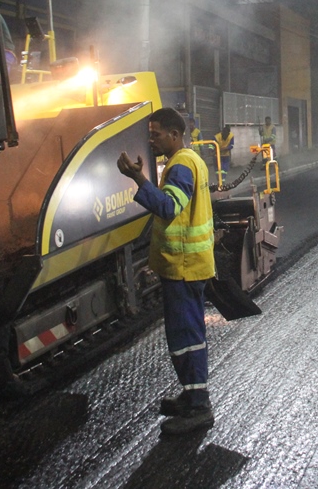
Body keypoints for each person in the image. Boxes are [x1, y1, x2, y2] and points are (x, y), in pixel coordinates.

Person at [117, 107, 216, 435]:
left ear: (174, 135)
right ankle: (192, 394)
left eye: (156, 134)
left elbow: (169, 208)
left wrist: (138, 178)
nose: (151, 140)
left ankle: (199, 407)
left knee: (186, 337)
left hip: (184, 267)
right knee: (188, 334)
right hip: (187, 265)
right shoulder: (190, 160)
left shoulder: (181, 165)